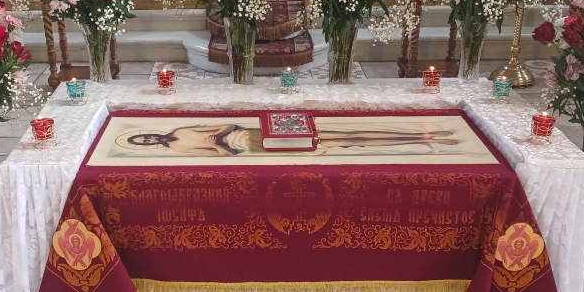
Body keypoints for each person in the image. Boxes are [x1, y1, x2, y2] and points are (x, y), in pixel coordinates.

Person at [121, 124, 461, 157]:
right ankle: (420, 140)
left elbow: (222, 126)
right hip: (248, 146)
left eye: (144, 135)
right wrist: (220, 144)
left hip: (250, 133)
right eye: (145, 140)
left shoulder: (181, 132)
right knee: (349, 143)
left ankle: (426, 134)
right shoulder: (175, 146)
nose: (149, 137)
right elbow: (217, 154)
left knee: (343, 134)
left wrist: (219, 136)